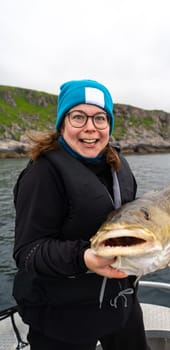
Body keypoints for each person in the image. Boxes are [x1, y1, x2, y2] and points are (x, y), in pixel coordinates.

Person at [12, 79, 149, 350]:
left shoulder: (120, 167)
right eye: (78, 117)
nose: (90, 127)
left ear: (109, 125)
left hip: (120, 300)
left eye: (100, 118)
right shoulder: (42, 175)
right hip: (60, 316)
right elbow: (27, 252)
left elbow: (131, 220)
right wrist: (84, 257)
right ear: (62, 123)